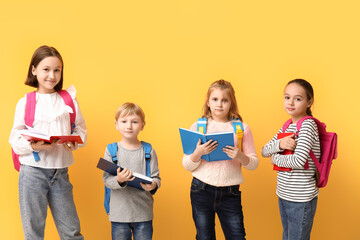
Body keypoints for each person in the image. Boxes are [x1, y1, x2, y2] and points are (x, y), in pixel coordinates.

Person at [9, 45, 87, 240]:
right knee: (34, 233)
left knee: (72, 232)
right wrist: (34, 145)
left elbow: (80, 130)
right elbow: (15, 139)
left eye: (57, 70)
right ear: (34, 70)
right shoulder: (26, 102)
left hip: (61, 172)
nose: (52, 75)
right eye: (46, 69)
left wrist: (74, 142)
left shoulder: (69, 101)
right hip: (32, 172)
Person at [182, 79, 258, 240]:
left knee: (237, 236)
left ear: (231, 103)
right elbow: (187, 164)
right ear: (208, 102)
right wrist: (198, 153)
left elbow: (253, 163)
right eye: (215, 99)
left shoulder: (242, 128)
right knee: (204, 237)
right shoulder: (198, 126)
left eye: (225, 100)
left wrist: (240, 156)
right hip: (201, 190)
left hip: (230, 192)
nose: (219, 104)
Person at [262, 79, 320, 240]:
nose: (291, 103)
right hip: (284, 194)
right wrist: (280, 144)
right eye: (287, 97)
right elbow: (264, 150)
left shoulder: (308, 125)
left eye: (298, 98)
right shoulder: (287, 126)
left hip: (301, 198)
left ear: (310, 102)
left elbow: (298, 161)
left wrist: (275, 160)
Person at [102, 102, 161, 240]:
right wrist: (119, 180)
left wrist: (154, 185)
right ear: (116, 124)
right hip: (119, 214)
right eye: (124, 121)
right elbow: (106, 180)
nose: (129, 126)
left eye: (134, 122)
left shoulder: (149, 151)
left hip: (143, 213)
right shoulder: (111, 150)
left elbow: (156, 178)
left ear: (142, 125)